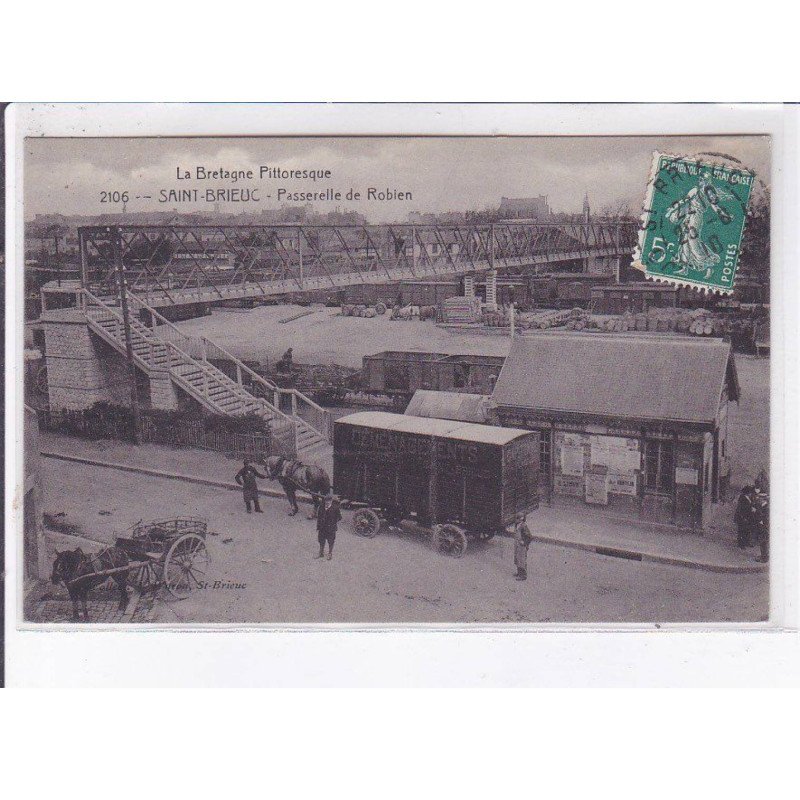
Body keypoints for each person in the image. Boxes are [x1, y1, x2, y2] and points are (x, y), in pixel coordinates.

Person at [316, 493, 341, 561]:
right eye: (326, 501)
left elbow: (339, 517)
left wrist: (333, 523)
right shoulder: (321, 506)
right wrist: (318, 527)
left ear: (331, 501)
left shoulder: (335, 508)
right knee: (321, 540)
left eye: (328, 501)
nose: (327, 503)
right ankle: (321, 553)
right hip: (322, 528)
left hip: (330, 529)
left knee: (331, 541)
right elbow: (319, 517)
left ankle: (330, 553)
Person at [513, 512, 533, 581]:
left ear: (521, 519)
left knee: (522, 560)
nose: (516, 520)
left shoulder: (523, 526)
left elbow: (529, 537)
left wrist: (524, 542)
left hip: (522, 546)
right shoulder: (517, 525)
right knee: (517, 558)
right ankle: (519, 573)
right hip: (517, 544)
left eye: (517, 518)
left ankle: (523, 575)